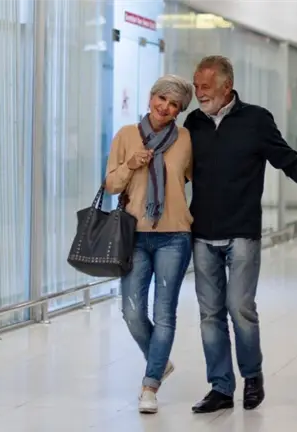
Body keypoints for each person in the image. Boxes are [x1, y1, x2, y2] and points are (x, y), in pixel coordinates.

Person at [183, 55, 297, 414]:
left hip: (242, 231)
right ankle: (221, 387)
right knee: (209, 314)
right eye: (196, 85)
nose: (199, 92)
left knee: (240, 308)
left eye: (206, 86)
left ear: (227, 86)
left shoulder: (255, 120)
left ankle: (252, 377)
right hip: (202, 232)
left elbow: (287, 158)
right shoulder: (193, 122)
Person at [104, 74, 194, 414]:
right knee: (131, 312)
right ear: (151, 98)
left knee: (164, 312)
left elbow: (198, 178)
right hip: (135, 235)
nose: (165, 107)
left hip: (175, 235)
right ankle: (160, 360)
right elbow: (111, 185)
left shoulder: (185, 139)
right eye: (162, 99)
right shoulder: (126, 136)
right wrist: (131, 165)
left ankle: (150, 385)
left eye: (174, 104)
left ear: (179, 111)